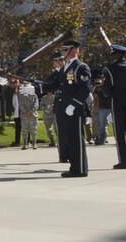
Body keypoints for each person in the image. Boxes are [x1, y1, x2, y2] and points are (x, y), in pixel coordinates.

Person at [35, 39, 90, 178]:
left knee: (76, 139)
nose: (63, 52)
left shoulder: (80, 67)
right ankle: (74, 167)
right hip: (63, 108)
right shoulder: (66, 68)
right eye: (62, 50)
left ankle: (80, 169)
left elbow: (84, 89)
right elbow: (53, 85)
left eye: (65, 50)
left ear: (75, 50)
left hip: (74, 109)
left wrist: (74, 104)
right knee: (68, 139)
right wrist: (33, 87)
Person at [101, 45, 126, 169]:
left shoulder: (110, 68)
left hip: (118, 100)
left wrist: (106, 91)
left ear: (116, 54)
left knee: (119, 132)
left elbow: (107, 89)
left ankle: (123, 161)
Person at [18, 81, 39, 150]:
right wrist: (25, 112)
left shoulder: (34, 95)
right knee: (24, 130)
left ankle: (34, 144)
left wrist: (30, 112)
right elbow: (20, 105)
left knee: (34, 130)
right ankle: (25, 144)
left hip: (33, 115)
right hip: (24, 115)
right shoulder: (21, 95)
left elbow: (36, 104)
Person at [91, 78, 112, 145]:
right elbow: (95, 97)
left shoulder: (111, 87)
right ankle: (102, 139)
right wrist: (95, 105)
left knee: (114, 124)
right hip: (102, 108)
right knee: (102, 124)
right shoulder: (98, 88)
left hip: (110, 108)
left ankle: (118, 139)